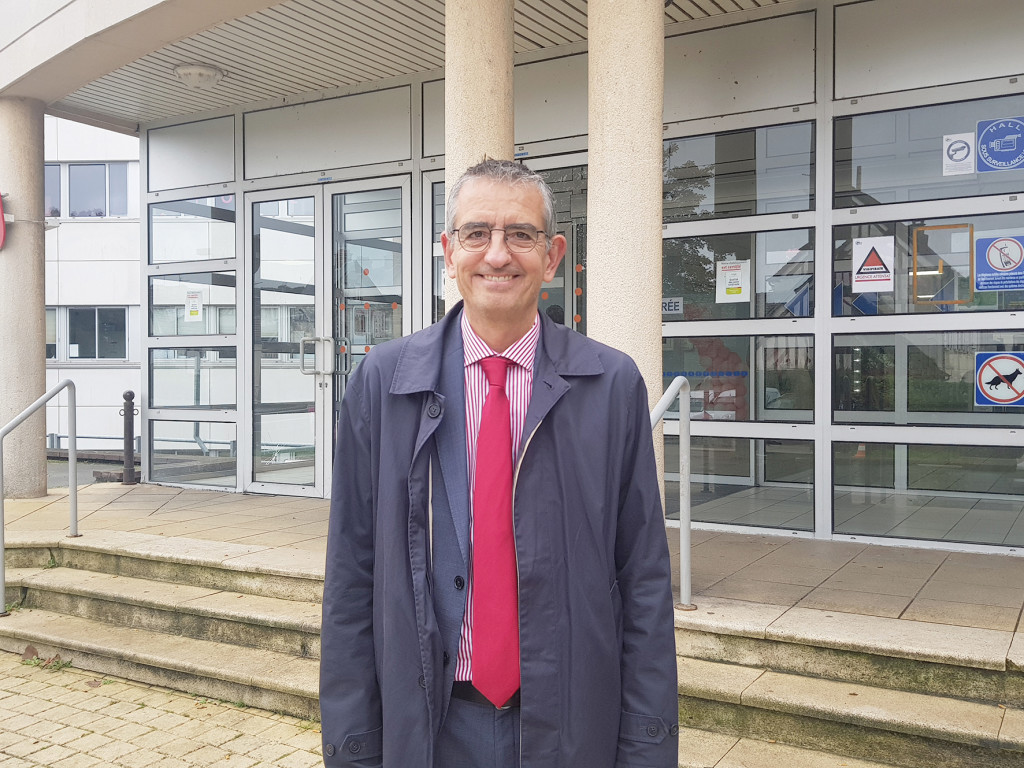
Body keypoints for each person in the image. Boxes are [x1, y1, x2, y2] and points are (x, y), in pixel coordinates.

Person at [320, 159, 678, 768]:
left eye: (520, 234)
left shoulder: (610, 385)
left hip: (570, 724)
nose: (497, 254)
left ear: (553, 254)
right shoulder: (383, 384)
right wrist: (355, 746)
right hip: (428, 723)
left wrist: (645, 748)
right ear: (448, 249)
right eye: (476, 233)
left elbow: (643, 580)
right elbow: (351, 578)